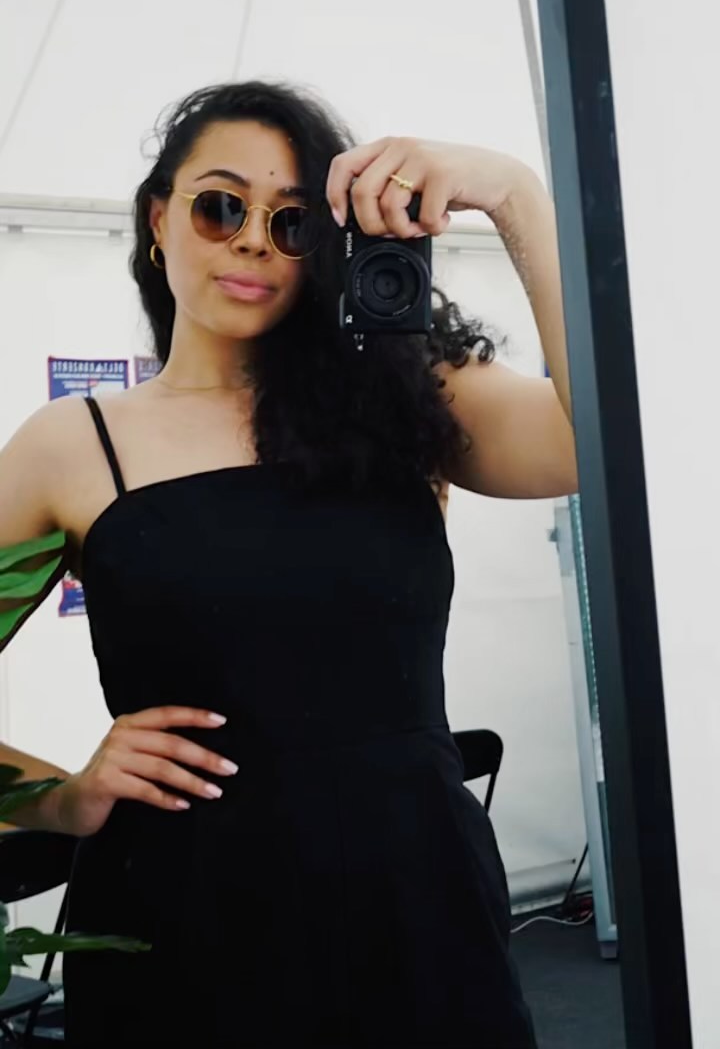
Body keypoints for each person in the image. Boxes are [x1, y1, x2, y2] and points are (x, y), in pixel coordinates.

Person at [0, 81, 577, 1047]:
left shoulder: (406, 403)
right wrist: (61, 800)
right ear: (158, 219)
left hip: (416, 910)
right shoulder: (71, 447)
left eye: (295, 220)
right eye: (220, 206)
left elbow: (598, 437)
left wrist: (514, 193)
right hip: (182, 921)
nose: (255, 241)